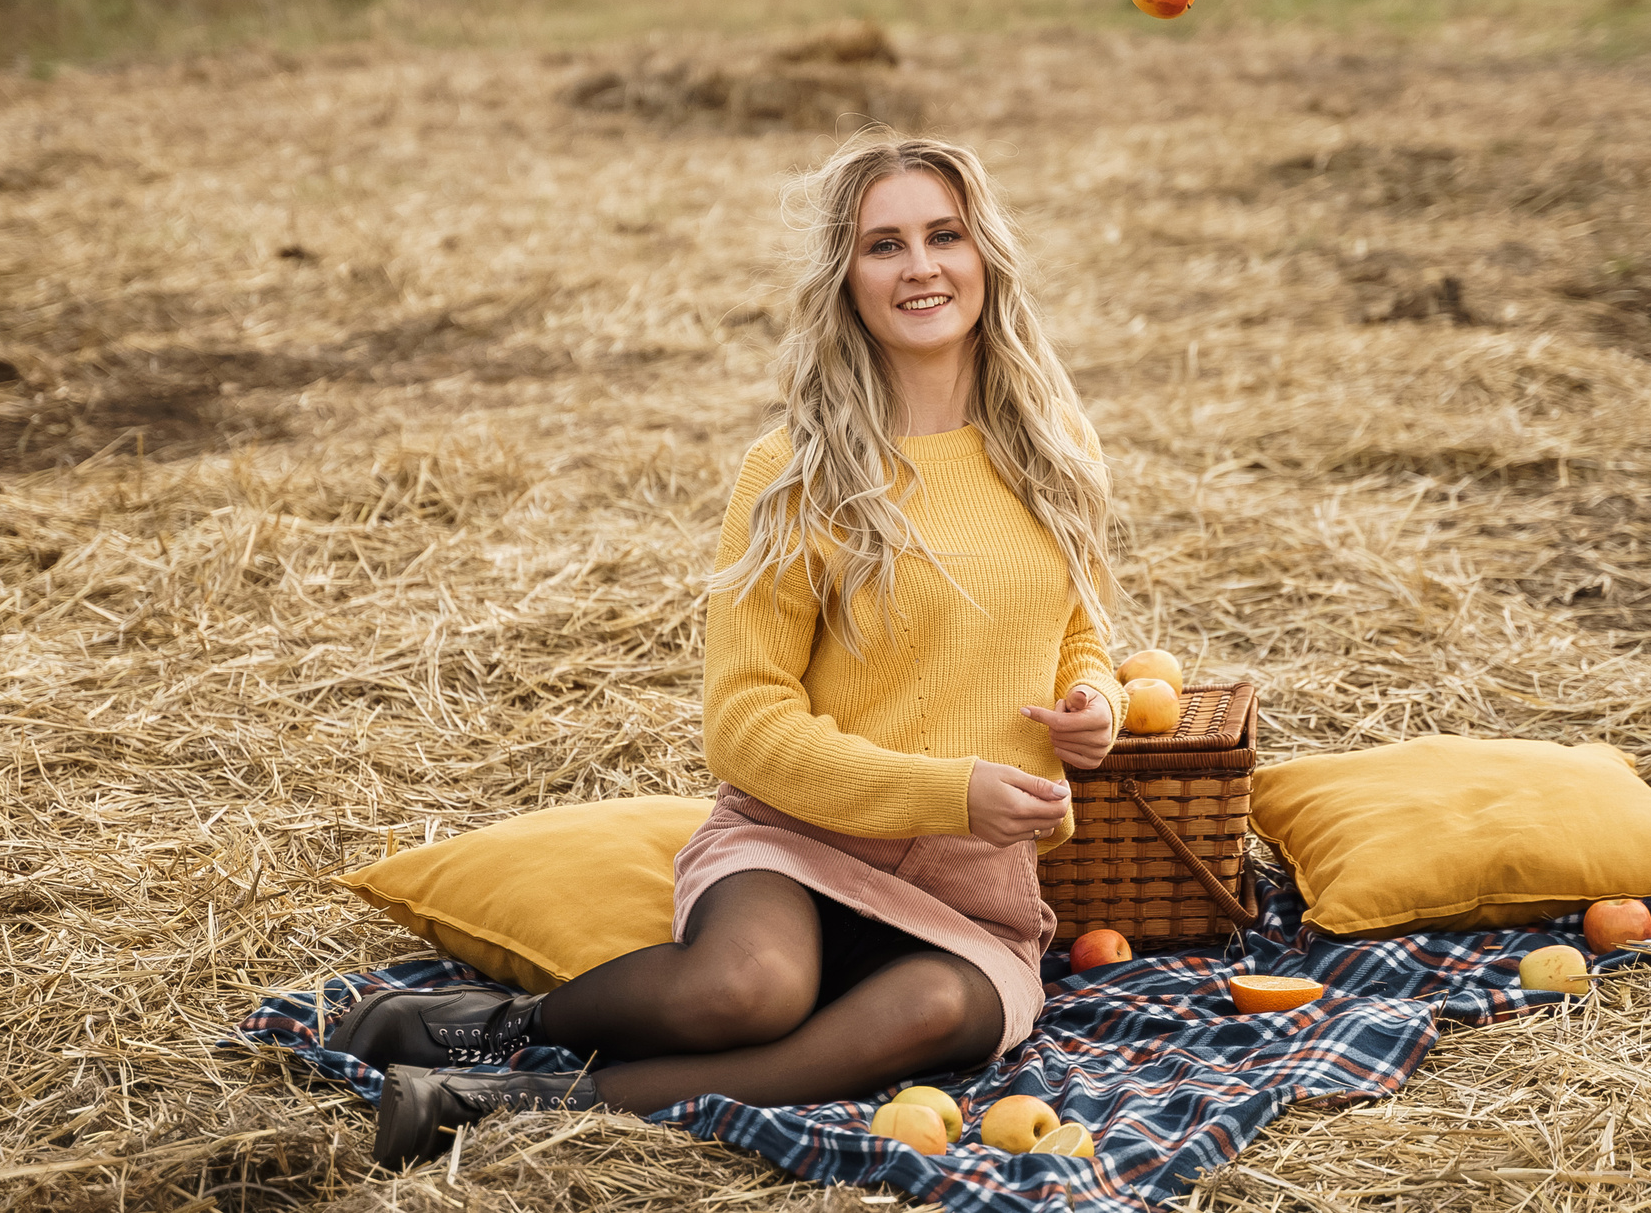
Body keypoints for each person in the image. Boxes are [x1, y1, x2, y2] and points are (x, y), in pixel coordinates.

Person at [337, 134, 1126, 1168]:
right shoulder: (793, 473)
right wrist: (948, 789)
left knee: (935, 1014)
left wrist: (1092, 700)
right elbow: (744, 726)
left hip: (968, 884)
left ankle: (502, 1103)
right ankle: (497, 1030)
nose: (921, 267)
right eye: (883, 245)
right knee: (746, 991)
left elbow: (1078, 625)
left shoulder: (1051, 445)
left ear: (986, 253)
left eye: (944, 235)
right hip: (798, 838)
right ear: (845, 280)